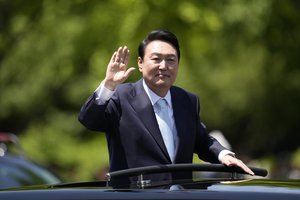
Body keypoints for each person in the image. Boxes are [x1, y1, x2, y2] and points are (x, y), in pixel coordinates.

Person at [78, 29, 254, 184]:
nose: (164, 66)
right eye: (156, 59)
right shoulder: (120, 96)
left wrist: (224, 155)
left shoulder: (187, 100)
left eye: (171, 60)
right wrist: (108, 86)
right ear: (140, 63)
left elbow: (202, 141)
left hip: (181, 195)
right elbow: (89, 120)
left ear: (178, 64)